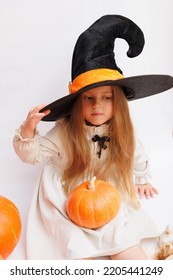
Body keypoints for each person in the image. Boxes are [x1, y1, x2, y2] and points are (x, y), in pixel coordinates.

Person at [13, 15, 173, 260]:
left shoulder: (120, 131)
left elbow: (135, 151)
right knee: (73, 240)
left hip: (103, 189)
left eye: (106, 98)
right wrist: (27, 129)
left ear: (117, 101)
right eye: (89, 98)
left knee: (118, 231)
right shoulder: (66, 131)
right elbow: (32, 156)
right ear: (78, 103)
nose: (97, 105)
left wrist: (141, 178)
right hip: (68, 192)